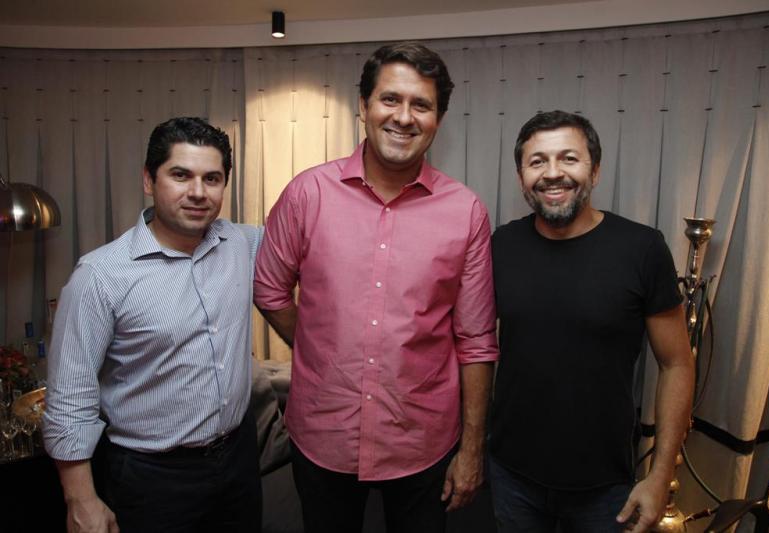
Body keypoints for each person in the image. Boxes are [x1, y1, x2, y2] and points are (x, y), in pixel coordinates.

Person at [253, 42, 498, 533]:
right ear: (363, 106)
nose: (404, 117)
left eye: (421, 104)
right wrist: (319, 348)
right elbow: (269, 289)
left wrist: (472, 450)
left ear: (438, 120)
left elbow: (475, 340)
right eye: (390, 99)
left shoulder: (465, 211)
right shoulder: (307, 194)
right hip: (323, 433)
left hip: (423, 439)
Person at [43, 117, 263, 533]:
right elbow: (70, 398)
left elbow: (309, 239)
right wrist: (80, 499)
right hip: (151, 477)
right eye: (180, 175)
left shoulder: (241, 243)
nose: (198, 192)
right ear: (149, 179)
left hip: (238, 459)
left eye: (212, 179)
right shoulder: (100, 276)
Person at [489, 110, 694, 533]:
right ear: (521, 177)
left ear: (595, 171)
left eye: (569, 158)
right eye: (537, 161)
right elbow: (471, 342)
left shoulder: (642, 248)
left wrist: (660, 475)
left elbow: (677, 363)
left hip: (605, 488)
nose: (552, 173)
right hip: (511, 476)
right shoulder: (501, 245)